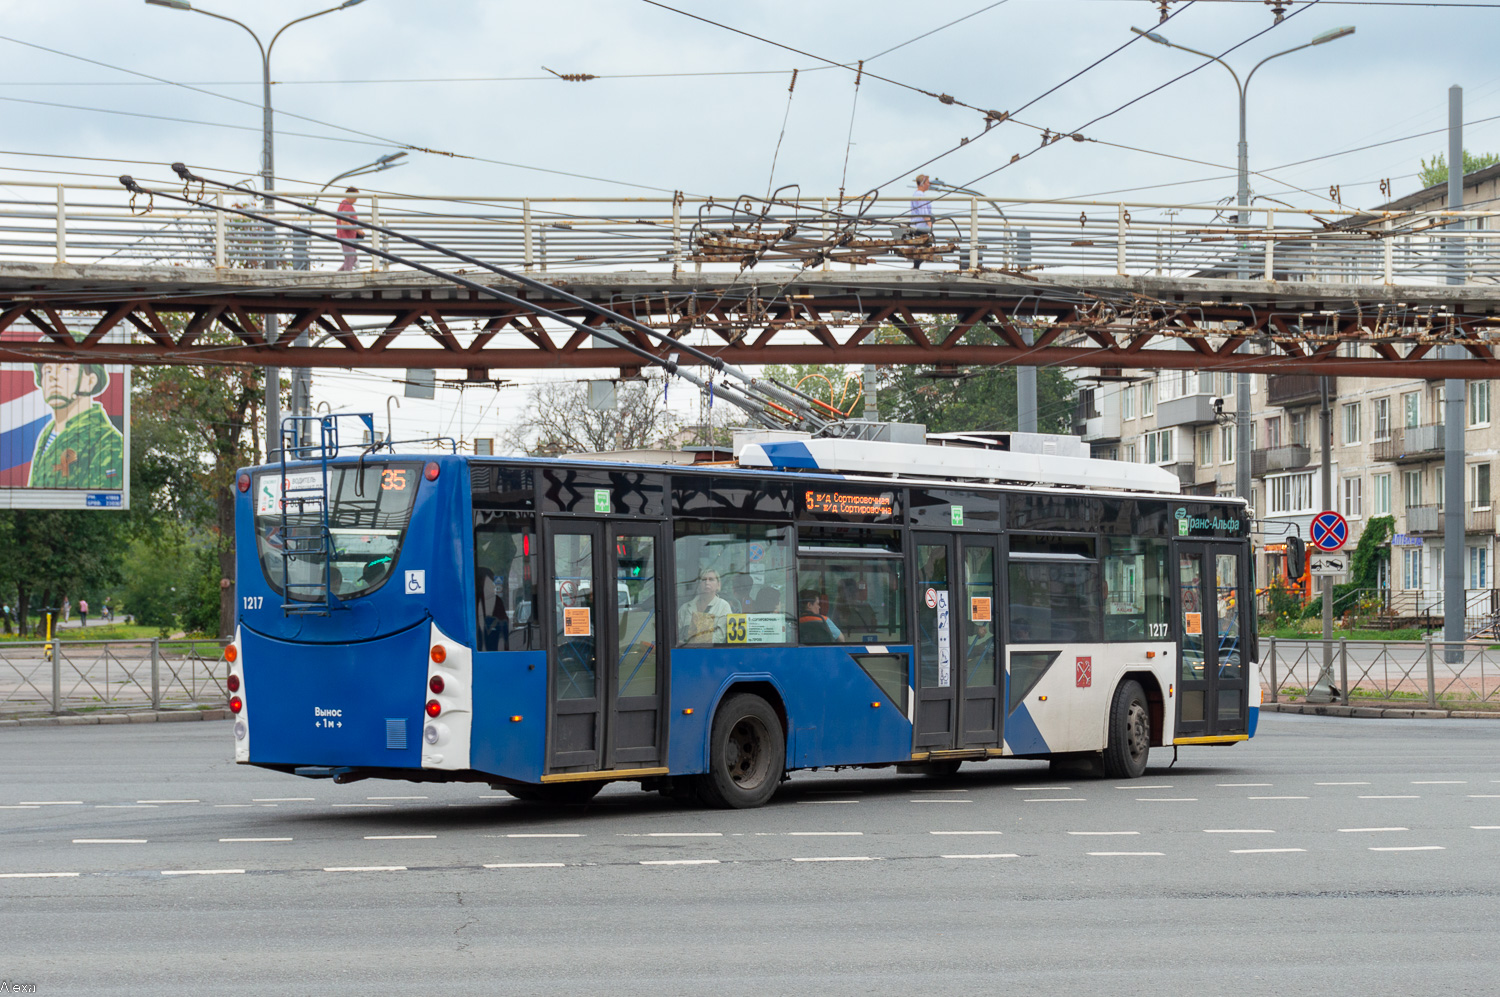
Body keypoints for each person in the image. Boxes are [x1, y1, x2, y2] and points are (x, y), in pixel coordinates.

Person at [27, 364, 125, 490]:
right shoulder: (46, 435)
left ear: (90, 382)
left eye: (66, 369)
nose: (53, 377)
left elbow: (102, 498)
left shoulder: (109, 442)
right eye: (47, 371)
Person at [677, 568, 731, 644]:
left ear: (718, 584)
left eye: (711, 579)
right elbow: (675, 635)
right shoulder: (685, 608)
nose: (707, 583)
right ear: (698, 584)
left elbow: (720, 638)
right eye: (704, 580)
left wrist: (690, 642)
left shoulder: (723, 606)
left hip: (712, 653)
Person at [907, 174, 934, 269]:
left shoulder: (916, 194)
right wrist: (930, 225)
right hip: (921, 226)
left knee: (920, 247)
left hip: (918, 225)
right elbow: (924, 212)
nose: (929, 184)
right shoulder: (920, 195)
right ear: (922, 183)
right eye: (927, 182)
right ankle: (916, 266)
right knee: (923, 246)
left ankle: (916, 266)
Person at [336, 188, 363, 271]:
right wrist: (358, 231)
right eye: (355, 197)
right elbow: (344, 222)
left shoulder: (342, 205)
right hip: (347, 237)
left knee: (352, 258)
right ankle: (347, 277)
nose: (356, 199)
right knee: (350, 258)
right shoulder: (347, 206)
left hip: (345, 237)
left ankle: (336, 276)